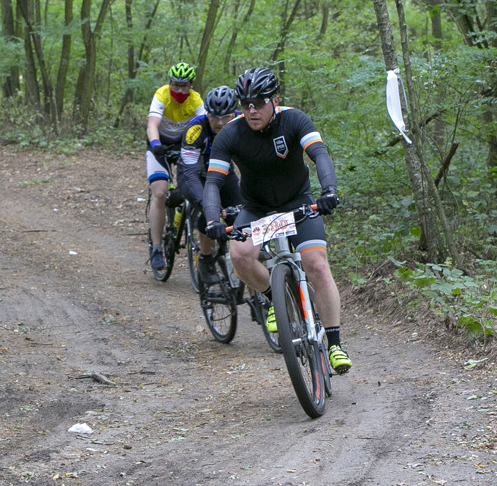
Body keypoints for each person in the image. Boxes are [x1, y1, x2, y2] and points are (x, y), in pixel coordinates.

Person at [202, 68, 352, 373]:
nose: (251, 110)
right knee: (239, 255)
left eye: (259, 103)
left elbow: (319, 154)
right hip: (257, 207)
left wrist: (329, 190)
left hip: (298, 202)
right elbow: (213, 182)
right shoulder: (231, 133)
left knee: (317, 265)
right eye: (245, 104)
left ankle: (335, 344)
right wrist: (211, 219)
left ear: (275, 100)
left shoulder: (295, 119)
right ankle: (275, 298)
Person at [176, 85, 243, 284]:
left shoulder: (242, 123)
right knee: (209, 213)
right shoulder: (195, 130)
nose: (220, 122)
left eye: (225, 117)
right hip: (194, 176)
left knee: (240, 215)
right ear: (207, 113)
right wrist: (208, 205)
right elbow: (190, 174)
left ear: (234, 114)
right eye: (214, 117)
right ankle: (205, 258)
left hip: (223, 173)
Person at [146, 62, 206, 271]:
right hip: (159, 144)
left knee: (194, 185)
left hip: (184, 145)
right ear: (170, 83)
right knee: (160, 193)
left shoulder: (196, 100)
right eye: (175, 85)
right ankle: (156, 249)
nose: (179, 90)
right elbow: (152, 124)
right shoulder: (162, 95)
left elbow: (205, 125)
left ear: (191, 85)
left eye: (184, 86)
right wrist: (156, 144)